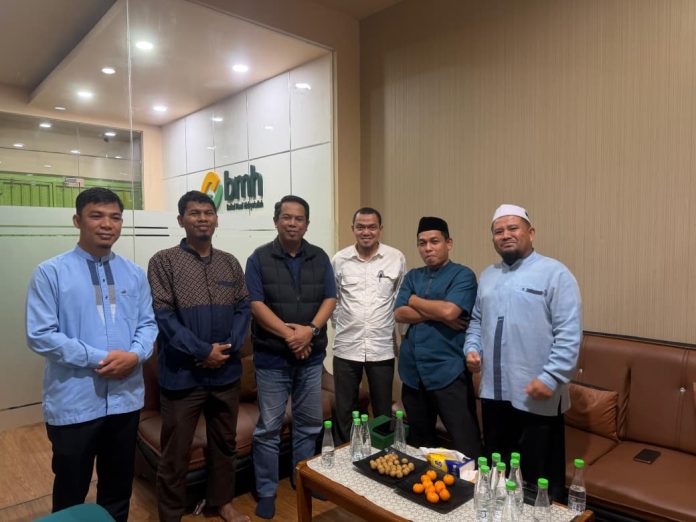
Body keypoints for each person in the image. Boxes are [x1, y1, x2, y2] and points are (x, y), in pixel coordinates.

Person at [26, 187, 158, 521]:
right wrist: (99, 358)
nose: (107, 224)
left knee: (118, 486)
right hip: (75, 402)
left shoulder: (133, 273)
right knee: (71, 489)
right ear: (77, 220)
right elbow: (41, 335)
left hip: (125, 400)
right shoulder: (51, 272)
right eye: (96, 216)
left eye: (115, 217)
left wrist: (135, 355)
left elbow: (148, 323)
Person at [464, 204, 582, 500]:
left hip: (537, 393)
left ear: (531, 232)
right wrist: (472, 347)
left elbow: (569, 334)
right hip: (494, 393)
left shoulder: (555, 273)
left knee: (539, 480)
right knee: (498, 471)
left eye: (513, 228)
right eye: (498, 231)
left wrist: (551, 377)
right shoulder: (487, 275)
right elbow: (476, 320)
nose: (505, 235)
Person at [147, 191, 251, 522]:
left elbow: (243, 307)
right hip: (183, 376)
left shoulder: (229, 262)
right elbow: (163, 316)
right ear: (181, 220)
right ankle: (170, 515)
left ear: (216, 219)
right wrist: (203, 351)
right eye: (194, 213)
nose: (202, 218)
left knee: (225, 443)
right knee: (176, 451)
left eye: (208, 212)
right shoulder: (163, 262)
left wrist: (229, 347)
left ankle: (222, 503)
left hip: (225, 373)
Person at [245, 195, 336, 519]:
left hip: (310, 359)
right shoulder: (258, 258)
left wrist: (309, 331)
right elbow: (256, 304)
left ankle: (302, 478)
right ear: (276, 221)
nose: (293, 223)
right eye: (287, 217)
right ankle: (267, 490)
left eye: (299, 218)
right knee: (269, 428)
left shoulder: (319, 257)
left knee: (309, 423)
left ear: (307, 224)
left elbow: (330, 298)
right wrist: (292, 336)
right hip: (272, 360)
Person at [394, 217, 481, 458]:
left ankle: (471, 483)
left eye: (434, 241)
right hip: (412, 372)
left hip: (448, 371)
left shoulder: (463, 275)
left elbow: (450, 311)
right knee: (420, 444)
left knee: (466, 443)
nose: (428, 248)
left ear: (448, 243)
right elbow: (399, 313)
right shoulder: (413, 276)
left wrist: (414, 300)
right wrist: (439, 314)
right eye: (422, 243)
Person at [331, 207, 405, 443]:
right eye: (360, 227)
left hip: (381, 347)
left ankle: (381, 453)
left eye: (372, 227)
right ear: (352, 229)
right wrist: (343, 324)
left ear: (380, 229)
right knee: (344, 408)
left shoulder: (396, 258)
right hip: (346, 346)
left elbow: (399, 301)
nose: (366, 232)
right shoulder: (339, 259)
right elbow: (333, 301)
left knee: (382, 409)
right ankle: (345, 452)